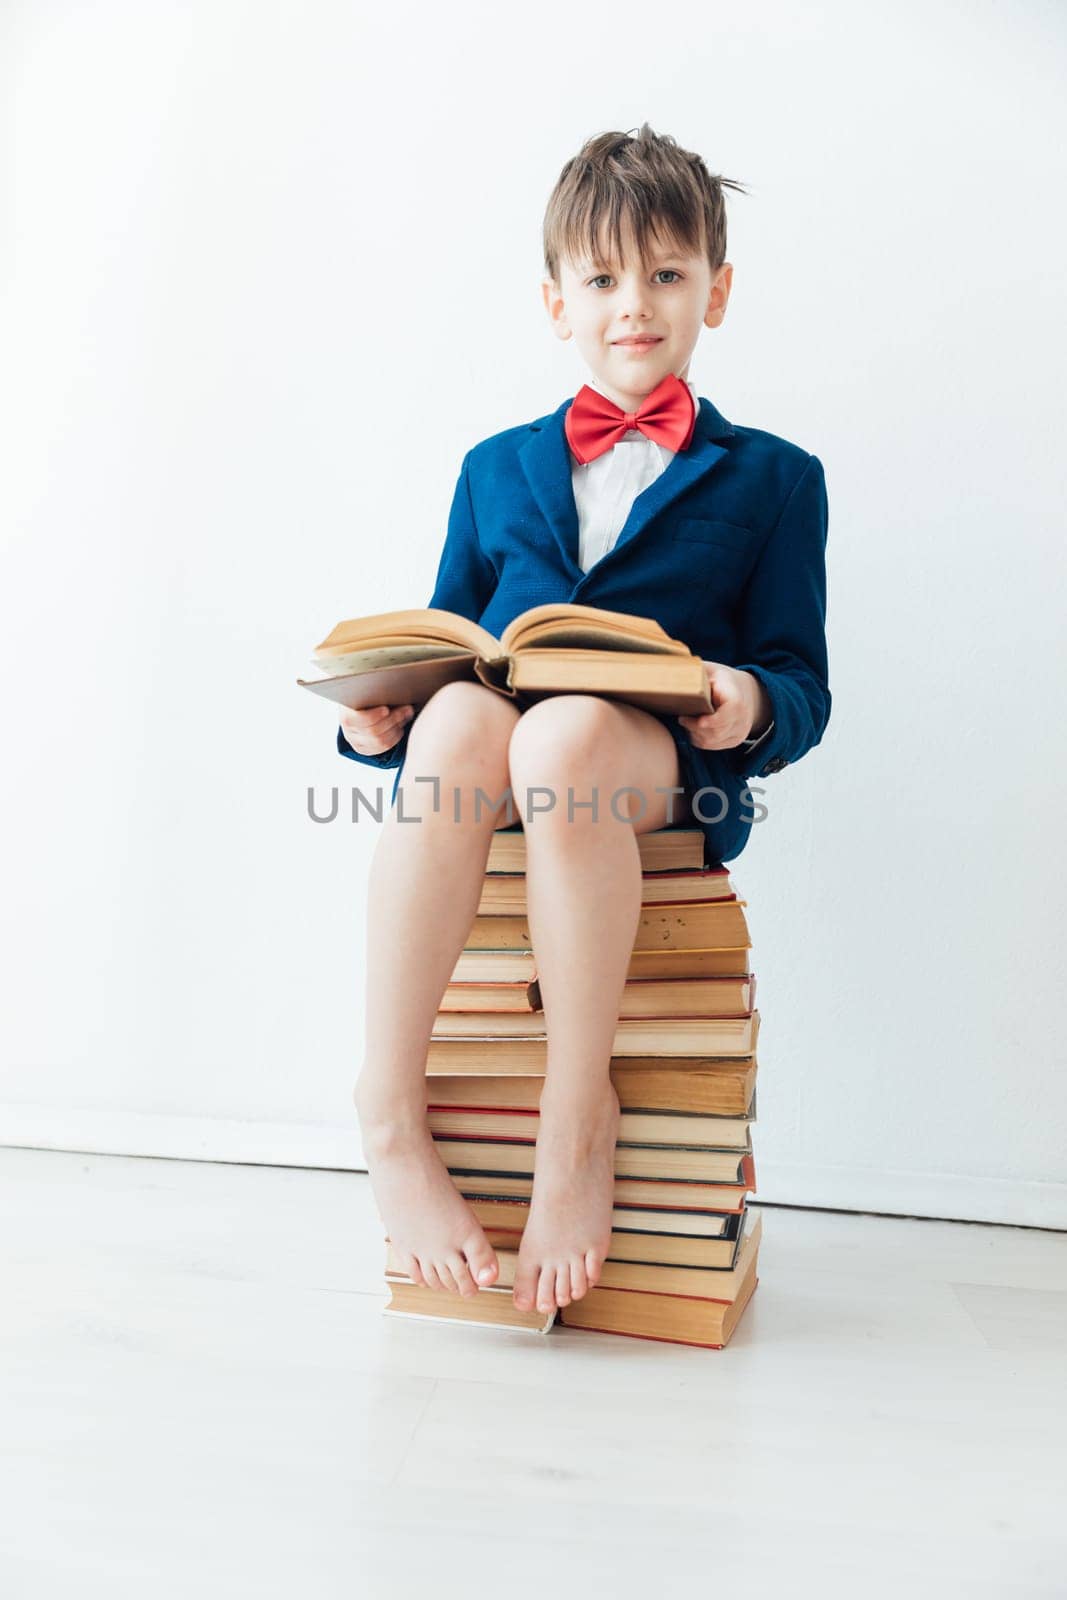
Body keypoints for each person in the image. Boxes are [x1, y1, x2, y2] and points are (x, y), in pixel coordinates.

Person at [336, 123, 831, 1317]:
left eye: (665, 275)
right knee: (463, 724)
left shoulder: (773, 478)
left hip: (658, 763)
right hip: (498, 750)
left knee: (560, 736)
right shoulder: (492, 466)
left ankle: (575, 1119)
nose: (634, 305)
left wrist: (749, 699)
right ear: (554, 300)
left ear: (714, 288)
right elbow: (447, 638)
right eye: (603, 278)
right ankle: (387, 1112)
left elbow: (798, 678)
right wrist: (377, 722)